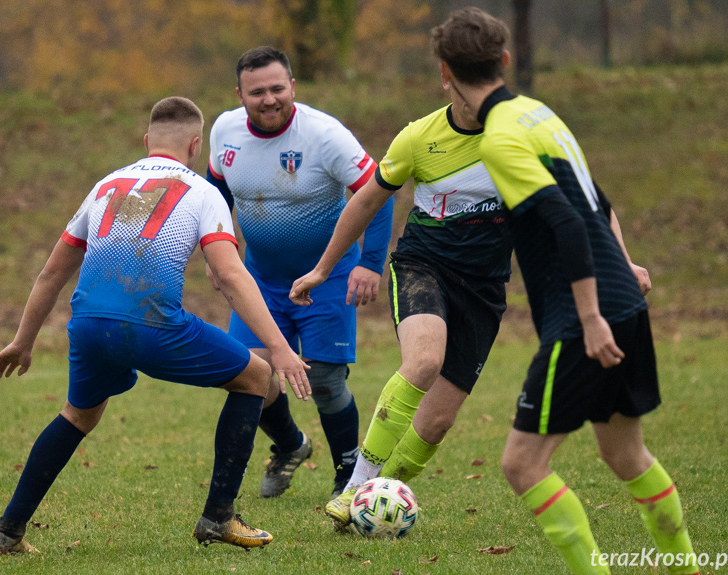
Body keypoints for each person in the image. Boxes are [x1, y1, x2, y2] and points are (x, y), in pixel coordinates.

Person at [420, 7, 698, 575]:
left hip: (583, 315)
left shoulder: (499, 141)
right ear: (504, 59)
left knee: (523, 466)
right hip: (622, 300)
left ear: (445, 73)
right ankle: (685, 566)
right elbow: (597, 198)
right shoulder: (538, 113)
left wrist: (590, 317)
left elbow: (570, 223)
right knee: (624, 454)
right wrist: (623, 267)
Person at [0, 96, 311, 554]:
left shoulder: (106, 185)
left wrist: (22, 341)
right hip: (150, 322)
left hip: (89, 325)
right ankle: (219, 517)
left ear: (146, 142)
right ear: (196, 145)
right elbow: (232, 274)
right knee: (256, 375)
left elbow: (52, 272)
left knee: (78, 414)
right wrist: (278, 347)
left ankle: (7, 532)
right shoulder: (202, 191)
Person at [289, 45, 514, 530]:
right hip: (423, 265)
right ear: (445, 76)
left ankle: (380, 497)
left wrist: (619, 262)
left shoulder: (524, 134)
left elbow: (586, 201)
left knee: (436, 423)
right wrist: (323, 269)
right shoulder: (419, 136)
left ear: (503, 68)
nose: (476, 93)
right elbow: (366, 201)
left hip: (484, 287)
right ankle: (355, 488)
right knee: (425, 361)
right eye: (465, 81)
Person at [206, 46, 394, 499]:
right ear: (239, 95)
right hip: (259, 280)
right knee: (246, 372)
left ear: (292, 86)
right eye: (257, 92)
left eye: (276, 88)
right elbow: (213, 192)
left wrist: (369, 264)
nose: (268, 99)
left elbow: (377, 192)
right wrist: (218, 251)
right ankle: (291, 444)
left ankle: (349, 476)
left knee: (327, 380)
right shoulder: (225, 130)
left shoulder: (325, 136)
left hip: (326, 278)